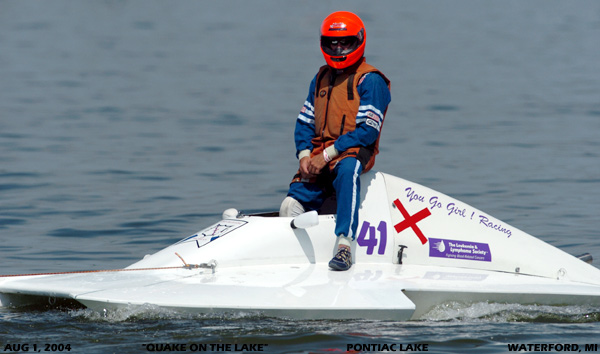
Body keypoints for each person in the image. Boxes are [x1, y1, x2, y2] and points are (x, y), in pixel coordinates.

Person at [280, 11, 391, 271]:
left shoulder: (371, 80)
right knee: (290, 204)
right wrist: (305, 154)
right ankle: (293, 251)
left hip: (354, 149)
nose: (338, 48)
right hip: (320, 152)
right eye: (332, 43)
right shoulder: (320, 78)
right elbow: (305, 122)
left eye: (345, 42)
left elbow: (367, 132)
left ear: (359, 41)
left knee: (347, 168)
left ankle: (344, 245)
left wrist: (327, 155)